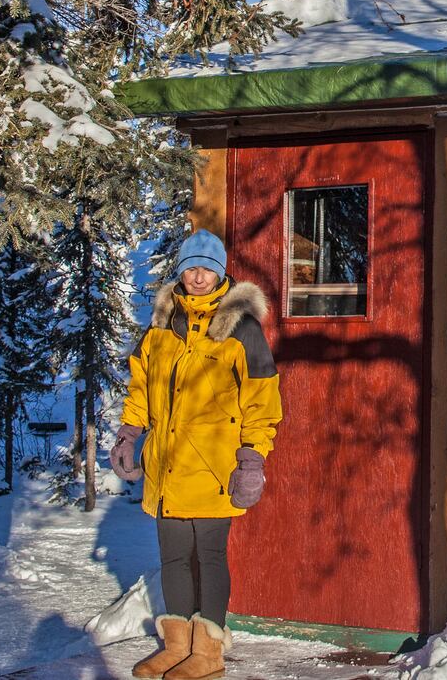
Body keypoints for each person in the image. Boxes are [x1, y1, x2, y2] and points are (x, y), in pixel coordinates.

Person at [110, 228, 282, 680]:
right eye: (190, 267)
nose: (198, 276)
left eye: (207, 267)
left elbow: (261, 399)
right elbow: (141, 386)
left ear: (221, 272)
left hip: (214, 465)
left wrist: (253, 457)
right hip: (167, 465)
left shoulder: (241, 327)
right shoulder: (162, 325)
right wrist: (129, 433)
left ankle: (208, 654)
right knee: (172, 558)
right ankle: (177, 646)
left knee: (208, 557)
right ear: (181, 271)